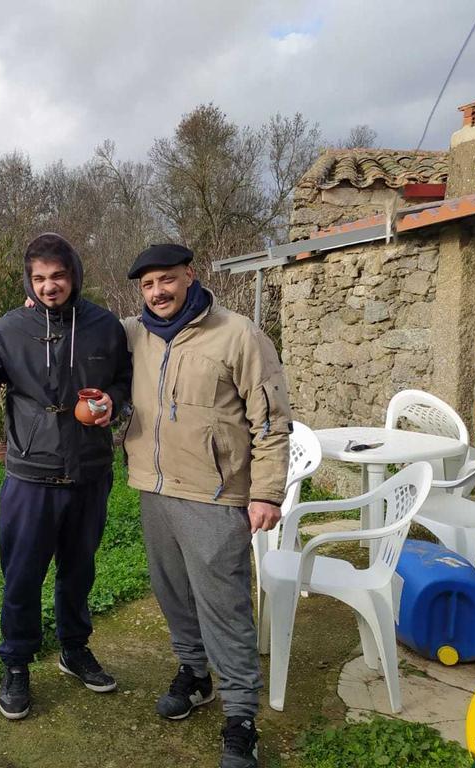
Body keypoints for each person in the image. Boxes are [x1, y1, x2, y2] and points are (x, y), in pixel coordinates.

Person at [0, 233, 132, 721]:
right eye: (39, 278)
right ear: (28, 280)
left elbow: (125, 382)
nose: (49, 287)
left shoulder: (105, 326)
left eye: (58, 276)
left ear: (74, 276)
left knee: (79, 571)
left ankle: (74, 649)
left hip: (88, 472)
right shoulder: (9, 329)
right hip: (30, 476)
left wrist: (113, 402)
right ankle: (17, 664)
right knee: (21, 577)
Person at [122, 243, 291, 768]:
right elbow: (79, 331)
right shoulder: (135, 334)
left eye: (167, 280)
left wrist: (265, 491)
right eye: (148, 285)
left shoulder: (237, 334)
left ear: (189, 276)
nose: (159, 292)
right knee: (173, 594)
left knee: (225, 608)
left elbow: (270, 418)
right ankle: (195, 676)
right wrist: (43, 310)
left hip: (216, 497)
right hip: (154, 488)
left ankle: (241, 717)